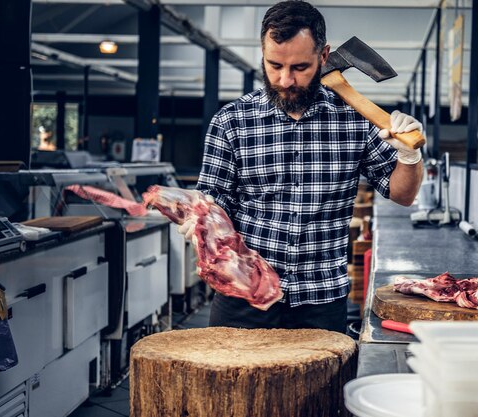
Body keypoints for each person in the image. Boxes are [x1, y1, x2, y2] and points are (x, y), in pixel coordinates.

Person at [181, 0, 424, 333]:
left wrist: (409, 158)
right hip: (244, 298)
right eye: (274, 65)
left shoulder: (355, 121)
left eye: (299, 67)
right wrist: (202, 219)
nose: (285, 79)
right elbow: (213, 202)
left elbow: (402, 194)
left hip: (321, 301)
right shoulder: (231, 122)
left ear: (324, 57)